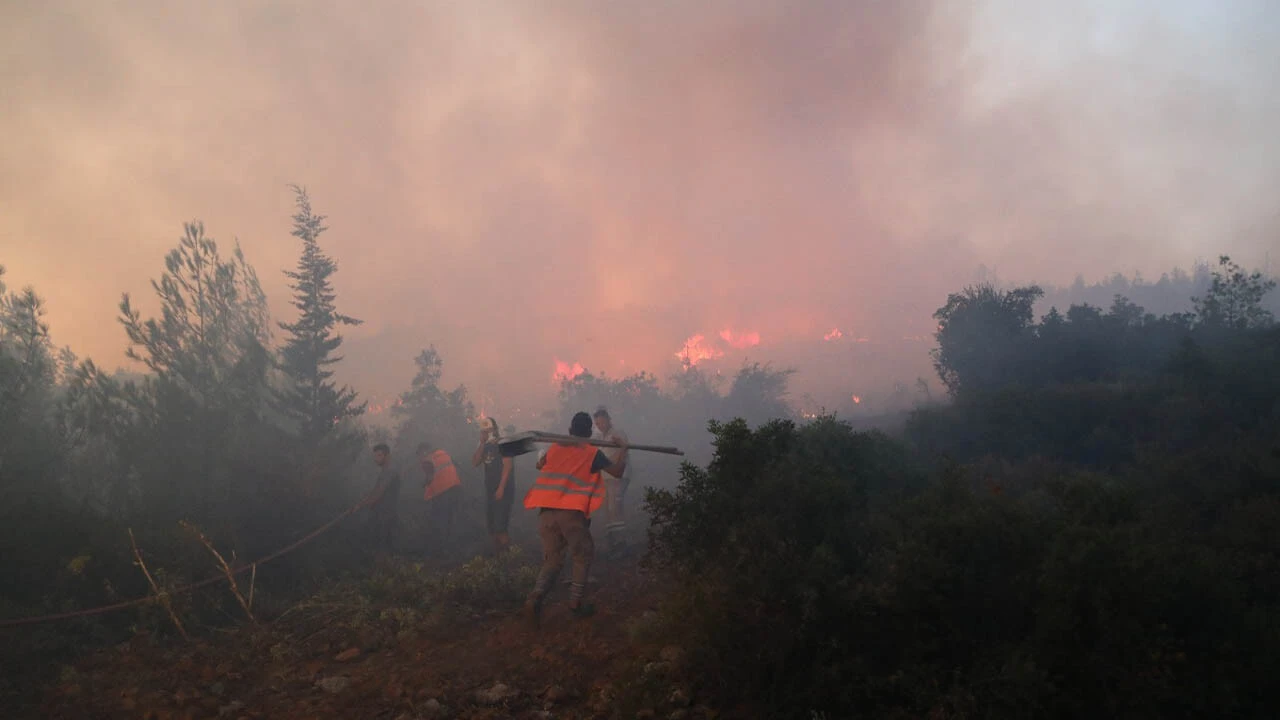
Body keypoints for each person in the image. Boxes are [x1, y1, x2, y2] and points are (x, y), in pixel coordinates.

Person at [523, 411, 627, 626]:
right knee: (583, 554)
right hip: (569, 513)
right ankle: (575, 604)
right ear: (589, 432)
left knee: (552, 560)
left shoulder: (555, 448)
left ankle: (535, 598)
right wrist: (623, 449)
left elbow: (539, 465)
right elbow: (617, 472)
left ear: (571, 430)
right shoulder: (591, 453)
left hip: (545, 513)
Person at [592, 406, 632, 558]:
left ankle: (621, 544)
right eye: (597, 424)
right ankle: (613, 542)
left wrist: (611, 467)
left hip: (618, 477)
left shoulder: (617, 434)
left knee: (614, 508)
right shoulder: (599, 436)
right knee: (609, 510)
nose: (600, 426)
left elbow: (620, 454)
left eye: (602, 422)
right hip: (606, 477)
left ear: (609, 420)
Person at [471, 417, 515, 557]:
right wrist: (482, 443)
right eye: (484, 431)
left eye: (488, 430)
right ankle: (498, 559)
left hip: (503, 490)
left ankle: (510, 558)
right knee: (492, 528)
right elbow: (475, 462)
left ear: (494, 429)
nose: (487, 433)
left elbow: (508, 466)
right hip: (490, 490)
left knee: (501, 527)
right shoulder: (486, 446)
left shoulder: (503, 443)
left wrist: (501, 488)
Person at [417, 440, 461, 556]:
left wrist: (424, 483)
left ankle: (441, 550)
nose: (420, 457)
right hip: (455, 490)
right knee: (450, 520)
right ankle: (452, 548)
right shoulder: (443, 454)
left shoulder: (427, 460)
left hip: (442, 494)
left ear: (424, 452)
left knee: (440, 521)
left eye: (420, 454)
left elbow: (430, 476)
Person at [364, 443, 401, 555]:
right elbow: (374, 492)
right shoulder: (384, 472)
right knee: (379, 542)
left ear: (387, 456)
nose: (376, 459)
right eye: (375, 456)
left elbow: (379, 493)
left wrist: (366, 503)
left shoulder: (390, 471)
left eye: (379, 455)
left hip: (386, 514)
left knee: (383, 544)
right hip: (380, 513)